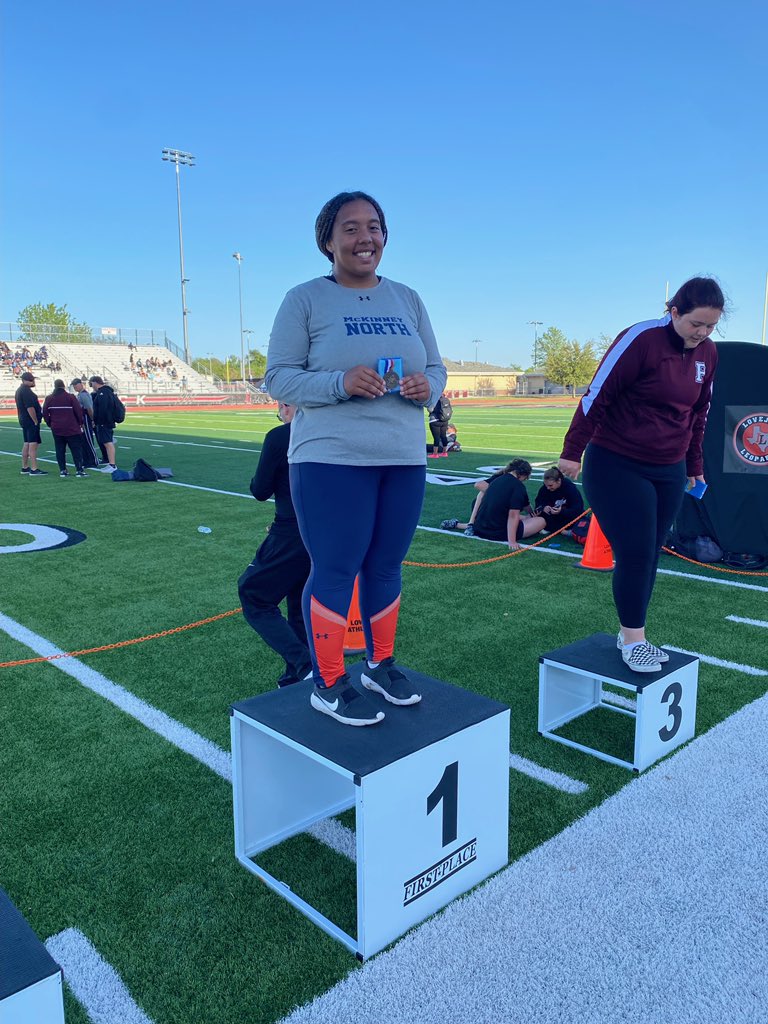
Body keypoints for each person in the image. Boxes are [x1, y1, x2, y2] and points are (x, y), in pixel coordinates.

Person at [265, 190, 446, 726]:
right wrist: (339, 382)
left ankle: (379, 664)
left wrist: (425, 387)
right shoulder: (304, 299)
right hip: (330, 459)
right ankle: (326, 680)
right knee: (337, 567)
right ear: (327, 240)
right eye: (350, 228)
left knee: (387, 565)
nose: (364, 238)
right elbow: (277, 377)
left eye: (374, 227)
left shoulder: (408, 299)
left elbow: (436, 369)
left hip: (403, 456)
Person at [558, 276, 723, 673]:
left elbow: (698, 415)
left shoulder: (709, 354)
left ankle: (630, 631)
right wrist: (572, 451)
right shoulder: (640, 339)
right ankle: (635, 639)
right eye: (695, 324)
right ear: (674, 312)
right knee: (634, 551)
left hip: (668, 467)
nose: (701, 334)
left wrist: (693, 466)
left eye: (710, 327)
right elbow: (597, 393)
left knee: (650, 552)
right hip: (617, 461)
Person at [237, 402, 312, 688]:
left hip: (291, 531)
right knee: (298, 604)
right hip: (325, 533)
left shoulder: (281, 435)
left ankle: (304, 665)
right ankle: (295, 676)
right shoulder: (331, 432)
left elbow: (260, 490)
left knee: (253, 594)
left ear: (287, 405)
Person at [440, 459, 543, 548]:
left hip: (481, 527)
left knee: (522, 517)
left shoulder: (496, 480)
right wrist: (512, 541)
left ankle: (466, 525)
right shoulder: (518, 487)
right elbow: (513, 516)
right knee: (541, 521)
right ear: (524, 475)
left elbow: (524, 506)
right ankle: (467, 525)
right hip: (498, 532)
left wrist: (531, 513)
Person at [43, 380, 86, 477]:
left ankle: (63, 470)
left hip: (57, 428)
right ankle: (79, 470)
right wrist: (80, 423)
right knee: (76, 450)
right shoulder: (70, 397)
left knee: (60, 450)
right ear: (63, 386)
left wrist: (50, 423)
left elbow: (45, 413)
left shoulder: (49, 398)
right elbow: (78, 411)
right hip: (72, 428)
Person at [533, 467, 584, 532]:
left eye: (550, 485)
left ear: (559, 481)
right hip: (552, 516)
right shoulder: (544, 489)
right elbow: (538, 503)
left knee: (578, 518)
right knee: (539, 517)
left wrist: (562, 511)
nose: (548, 488)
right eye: (546, 485)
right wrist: (543, 507)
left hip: (568, 516)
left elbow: (578, 508)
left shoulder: (570, 488)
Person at [15, 371, 47, 475]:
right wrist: (35, 421)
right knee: (33, 444)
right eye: (31, 380)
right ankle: (34, 469)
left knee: (27, 443)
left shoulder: (20, 390)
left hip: (24, 420)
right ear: (24, 381)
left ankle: (25, 467)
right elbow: (30, 407)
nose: (33, 381)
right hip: (30, 421)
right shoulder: (26, 391)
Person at [88, 375, 118, 469]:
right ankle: (111, 463)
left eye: (91, 384)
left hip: (104, 422)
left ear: (94, 382)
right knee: (106, 442)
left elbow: (103, 410)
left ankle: (112, 464)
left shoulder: (103, 393)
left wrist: (96, 420)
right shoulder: (106, 392)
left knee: (108, 443)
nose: (91, 386)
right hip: (106, 421)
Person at [71, 379, 100, 467]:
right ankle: (87, 460)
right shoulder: (80, 394)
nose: (75, 387)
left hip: (86, 419)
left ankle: (94, 461)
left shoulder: (83, 395)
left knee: (88, 440)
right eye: (74, 386)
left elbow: (89, 408)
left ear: (80, 384)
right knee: (84, 441)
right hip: (83, 419)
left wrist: (92, 420)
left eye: (76, 385)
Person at [428, 393, 451, 458]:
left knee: (436, 437)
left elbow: (430, 409)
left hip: (435, 420)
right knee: (443, 436)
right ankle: (444, 452)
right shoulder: (446, 400)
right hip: (444, 420)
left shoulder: (435, 400)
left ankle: (435, 454)